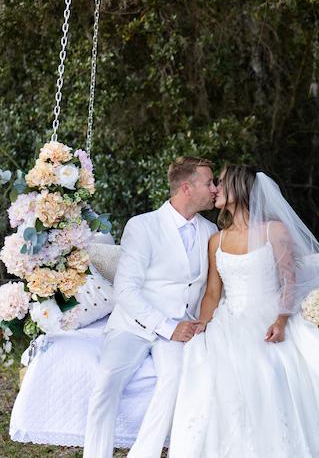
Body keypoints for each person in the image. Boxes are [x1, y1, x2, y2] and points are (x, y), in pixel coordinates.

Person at [168, 165, 319, 457]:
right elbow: (213, 292)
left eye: (221, 183)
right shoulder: (217, 239)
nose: (215, 188)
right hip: (230, 317)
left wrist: (281, 320)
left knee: (265, 368)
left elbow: (289, 282)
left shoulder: (273, 231)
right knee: (212, 366)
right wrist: (203, 323)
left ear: (239, 189)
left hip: (269, 313)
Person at [83, 157, 219, 458]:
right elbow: (126, 290)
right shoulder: (142, 225)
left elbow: (211, 287)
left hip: (182, 325)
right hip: (134, 324)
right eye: (209, 182)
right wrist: (168, 327)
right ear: (186, 187)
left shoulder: (210, 231)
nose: (215, 189)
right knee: (106, 383)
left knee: (175, 380)